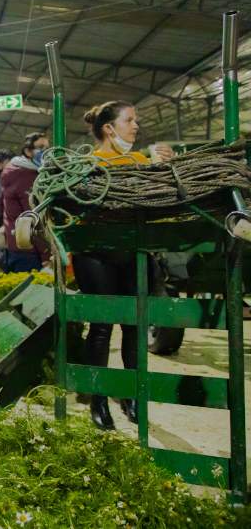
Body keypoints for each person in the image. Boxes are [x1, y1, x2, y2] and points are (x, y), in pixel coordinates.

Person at [74, 101, 174, 431]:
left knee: (133, 325)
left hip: (133, 252)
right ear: (108, 128)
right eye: (129, 120)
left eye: (136, 120)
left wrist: (165, 169)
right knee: (102, 327)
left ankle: (130, 395)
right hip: (96, 254)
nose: (136, 126)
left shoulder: (140, 161)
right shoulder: (88, 164)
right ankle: (98, 399)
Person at [0, 133, 51, 273]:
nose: (45, 152)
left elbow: (0, 205)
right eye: (41, 147)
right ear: (28, 151)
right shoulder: (26, 176)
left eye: (47, 147)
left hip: (16, 245)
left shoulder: (11, 171)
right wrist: (46, 255)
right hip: (30, 249)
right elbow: (34, 217)